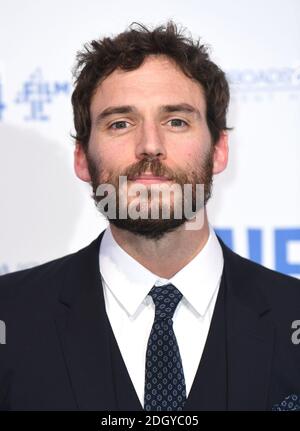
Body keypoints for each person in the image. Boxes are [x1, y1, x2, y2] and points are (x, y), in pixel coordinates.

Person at [0, 21, 300, 412]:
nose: (150, 146)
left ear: (220, 149)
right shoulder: (10, 315)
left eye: (176, 121)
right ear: (81, 159)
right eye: (120, 123)